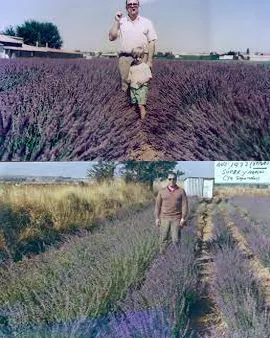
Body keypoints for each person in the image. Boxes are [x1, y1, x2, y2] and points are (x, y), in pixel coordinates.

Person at [109, 0, 157, 93]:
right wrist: (116, 21)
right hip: (125, 58)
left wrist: (150, 61)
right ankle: (125, 106)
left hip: (142, 58)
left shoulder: (147, 22)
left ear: (138, 6)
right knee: (125, 84)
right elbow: (112, 37)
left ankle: (140, 106)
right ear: (126, 7)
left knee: (141, 84)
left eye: (135, 4)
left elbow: (151, 42)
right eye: (129, 4)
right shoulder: (121, 22)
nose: (132, 6)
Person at [155, 172, 188, 254]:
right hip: (164, 218)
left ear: (176, 180)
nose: (172, 180)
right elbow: (157, 206)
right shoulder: (162, 192)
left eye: (174, 179)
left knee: (176, 239)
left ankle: (177, 256)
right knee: (163, 238)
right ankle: (162, 255)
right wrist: (157, 218)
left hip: (176, 218)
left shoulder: (181, 191)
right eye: (170, 179)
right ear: (167, 180)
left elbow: (184, 205)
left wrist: (183, 218)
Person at [127, 46, 152, 119]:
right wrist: (128, 79)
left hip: (141, 88)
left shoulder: (145, 66)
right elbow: (130, 75)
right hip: (133, 88)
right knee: (134, 104)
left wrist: (142, 81)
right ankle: (136, 117)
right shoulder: (132, 66)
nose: (138, 59)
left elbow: (149, 76)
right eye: (135, 57)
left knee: (141, 105)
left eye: (140, 57)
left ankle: (143, 120)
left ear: (143, 56)